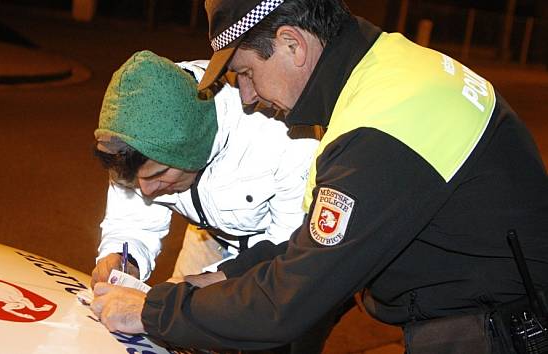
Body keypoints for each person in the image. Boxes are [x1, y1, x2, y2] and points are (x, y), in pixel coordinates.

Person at [91, 1, 548, 353]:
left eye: (247, 73)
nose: (247, 97)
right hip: (492, 313)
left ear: (292, 44)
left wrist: (151, 311)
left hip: (498, 334)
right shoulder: (389, 70)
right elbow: (318, 241)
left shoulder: (380, 130)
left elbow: (285, 304)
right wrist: (221, 276)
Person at [90, 50, 318, 295]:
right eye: (136, 181)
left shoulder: (285, 135)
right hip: (209, 237)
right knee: (168, 321)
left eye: (159, 174)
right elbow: (132, 224)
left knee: (264, 327)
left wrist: (204, 288)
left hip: (282, 247)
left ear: (194, 149)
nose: (146, 191)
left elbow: (288, 246)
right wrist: (125, 261)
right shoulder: (134, 133)